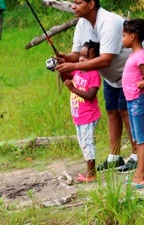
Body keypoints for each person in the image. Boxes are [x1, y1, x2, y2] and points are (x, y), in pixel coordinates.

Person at [55, 0, 144, 174]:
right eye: (73, 3)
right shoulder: (82, 24)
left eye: (78, 3)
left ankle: (135, 155)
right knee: (112, 112)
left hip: (132, 71)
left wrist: (74, 66)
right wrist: (65, 58)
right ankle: (114, 157)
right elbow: (77, 54)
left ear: (91, 4)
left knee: (126, 111)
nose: (73, 7)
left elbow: (105, 59)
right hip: (111, 76)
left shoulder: (109, 22)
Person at [121, 19, 144, 189]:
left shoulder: (141, 56)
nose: (122, 39)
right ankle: (138, 174)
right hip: (132, 101)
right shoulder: (134, 55)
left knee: (142, 140)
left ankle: (142, 176)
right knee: (137, 139)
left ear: (133, 36)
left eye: (124, 36)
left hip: (138, 101)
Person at [61, 40, 102, 183]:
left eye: (86, 57)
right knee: (83, 143)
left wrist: (72, 89)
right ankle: (90, 170)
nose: (82, 59)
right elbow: (66, 79)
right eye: (81, 56)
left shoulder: (94, 75)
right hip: (78, 116)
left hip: (88, 116)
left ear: (95, 60)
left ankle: (91, 173)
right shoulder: (78, 71)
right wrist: (60, 68)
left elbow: (91, 95)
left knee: (87, 143)